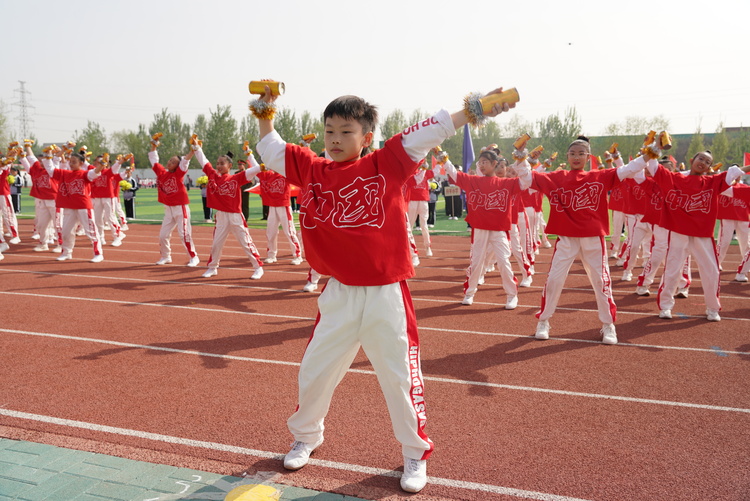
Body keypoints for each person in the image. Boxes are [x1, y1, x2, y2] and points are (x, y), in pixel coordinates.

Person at [253, 84, 513, 493]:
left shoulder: (387, 162)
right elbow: (269, 146)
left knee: (399, 378)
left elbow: (433, 129)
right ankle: (307, 436)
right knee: (314, 372)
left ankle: (414, 452)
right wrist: (265, 110)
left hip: (385, 294)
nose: (335, 140)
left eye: (345, 131)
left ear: (366, 136)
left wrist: (476, 109)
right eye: (329, 132)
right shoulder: (311, 168)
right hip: (338, 293)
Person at [517, 136, 649, 345]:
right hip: (567, 239)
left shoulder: (599, 176)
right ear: (567, 156)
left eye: (581, 153)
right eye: (572, 153)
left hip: (593, 239)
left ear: (588, 157)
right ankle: (544, 320)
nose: (576, 157)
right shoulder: (557, 177)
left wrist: (647, 155)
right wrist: (521, 157)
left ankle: (608, 325)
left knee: (601, 281)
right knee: (553, 280)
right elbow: (526, 177)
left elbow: (628, 169)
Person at [646, 152, 748, 321]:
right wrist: (654, 148)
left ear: (709, 168)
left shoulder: (712, 182)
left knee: (712, 272)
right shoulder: (675, 178)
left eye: (708, 162)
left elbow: (734, 172)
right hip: (678, 232)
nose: (703, 163)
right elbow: (653, 166)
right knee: (672, 271)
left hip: (702, 234)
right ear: (692, 160)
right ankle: (665, 306)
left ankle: (712, 308)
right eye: (701, 159)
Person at [445, 148, 528, 307]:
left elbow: (526, 181)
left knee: (504, 262)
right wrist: (444, 160)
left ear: (494, 164)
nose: (482, 165)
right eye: (480, 162)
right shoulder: (473, 180)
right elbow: (454, 174)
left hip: (499, 230)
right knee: (476, 263)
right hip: (480, 229)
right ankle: (470, 293)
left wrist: (522, 160)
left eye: (485, 162)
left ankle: (512, 295)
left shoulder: (506, 183)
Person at [191, 140, 264, 280]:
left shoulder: (236, 178)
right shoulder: (212, 175)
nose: (218, 165)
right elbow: (204, 161)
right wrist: (197, 148)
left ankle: (258, 267)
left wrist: (261, 166)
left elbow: (250, 171)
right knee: (216, 244)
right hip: (221, 216)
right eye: (217, 163)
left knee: (246, 243)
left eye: (222, 163)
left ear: (229, 166)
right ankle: (212, 267)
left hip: (236, 216)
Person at [42, 151, 106, 262]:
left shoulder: (85, 174)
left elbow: (95, 172)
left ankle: (98, 253)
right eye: (70, 162)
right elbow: (50, 170)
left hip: (83, 206)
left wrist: (102, 164)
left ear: (81, 163)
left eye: (74, 162)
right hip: (69, 206)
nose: (71, 164)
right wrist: (48, 157)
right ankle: (67, 252)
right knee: (66, 232)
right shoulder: (64, 173)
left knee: (91, 231)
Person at [148, 133, 200, 267]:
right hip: (168, 209)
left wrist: (192, 150)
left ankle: (193, 257)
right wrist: (153, 146)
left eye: (173, 162)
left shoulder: (179, 174)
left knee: (184, 234)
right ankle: (166, 256)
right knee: (163, 235)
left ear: (178, 166)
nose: (170, 163)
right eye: (170, 160)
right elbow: (154, 160)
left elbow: (185, 161)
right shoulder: (161, 172)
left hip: (180, 208)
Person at [255, 159, 303, 265]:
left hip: (284, 206)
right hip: (272, 207)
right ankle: (271, 255)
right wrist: (249, 155)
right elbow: (255, 168)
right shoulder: (268, 176)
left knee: (289, 232)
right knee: (271, 232)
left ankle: (297, 255)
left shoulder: (285, 176)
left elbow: (297, 169)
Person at [20, 142, 59, 252]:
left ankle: (61, 245)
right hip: (42, 200)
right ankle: (43, 244)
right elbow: (31, 158)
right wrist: (27, 146)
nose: (43, 162)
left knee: (58, 225)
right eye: (41, 161)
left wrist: (51, 152)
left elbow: (56, 159)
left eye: (45, 160)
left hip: (54, 200)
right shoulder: (37, 169)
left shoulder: (53, 169)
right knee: (41, 224)